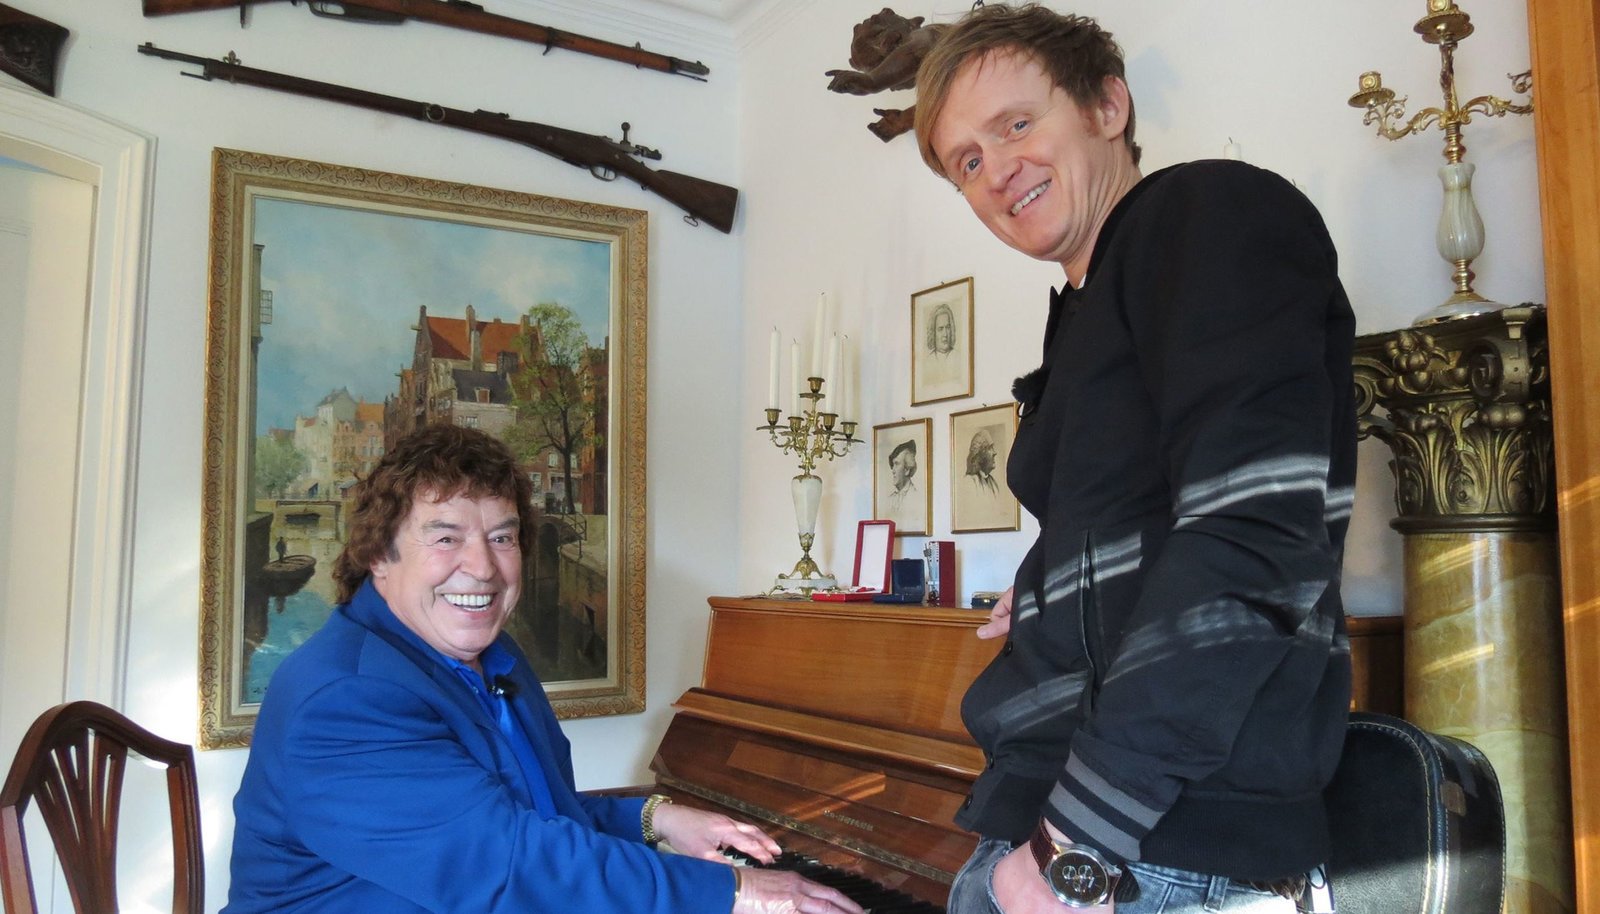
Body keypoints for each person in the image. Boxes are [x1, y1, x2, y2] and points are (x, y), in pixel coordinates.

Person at [913, 5, 1356, 914]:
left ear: (1107, 106)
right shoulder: (1092, 301)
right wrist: (1051, 582)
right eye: (968, 162)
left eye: (1016, 125)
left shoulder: (1208, 214)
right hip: (1077, 827)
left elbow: (1254, 530)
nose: (997, 171)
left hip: (1147, 850)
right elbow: (1153, 504)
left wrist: (1074, 846)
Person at [224, 424, 864, 914]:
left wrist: (655, 818)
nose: (483, 567)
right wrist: (737, 891)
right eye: (446, 537)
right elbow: (509, 862)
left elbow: (531, 814)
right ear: (379, 556)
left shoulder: (492, 658)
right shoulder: (347, 698)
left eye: (502, 537)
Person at [885, 437, 921, 527]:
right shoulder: (889, 499)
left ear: (907, 470)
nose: (893, 470)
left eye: (897, 464)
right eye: (892, 465)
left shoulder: (917, 498)